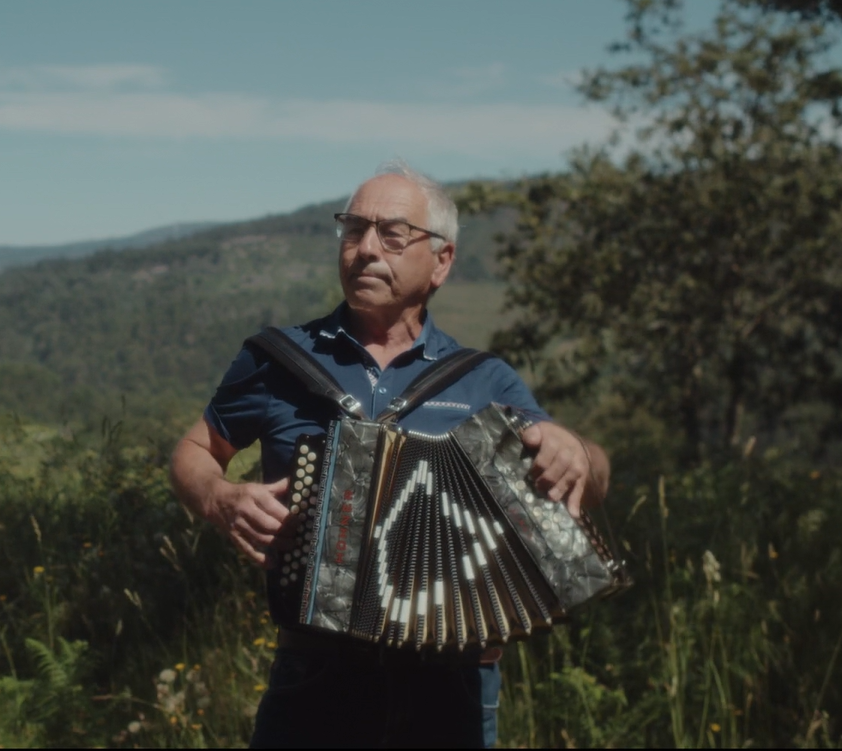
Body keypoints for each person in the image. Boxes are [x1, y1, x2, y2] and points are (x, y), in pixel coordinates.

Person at [170, 160, 610, 748]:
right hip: (314, 677)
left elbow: (590, 479)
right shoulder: (279, 359)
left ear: (442, 262)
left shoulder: (483, 381)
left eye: (392, 235)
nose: (365, 249)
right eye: (352, 230)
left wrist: (577, 449)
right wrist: (218, 497)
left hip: (452, 683)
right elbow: (197, 450)